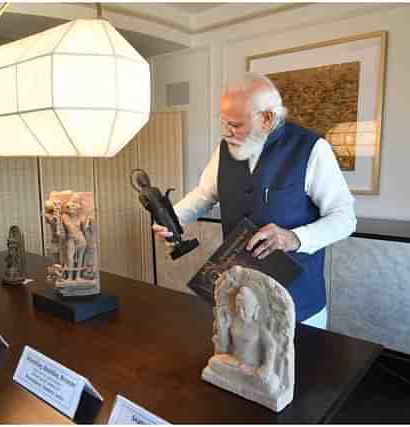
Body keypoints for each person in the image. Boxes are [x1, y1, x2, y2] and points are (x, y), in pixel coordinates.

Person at [153, 73, 356, 329]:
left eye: (235, 124)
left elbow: (345, 218)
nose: (227, 132)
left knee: (302, 369)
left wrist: (294, 238)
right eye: (224, 122)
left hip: (298, 304)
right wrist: (173, 218)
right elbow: (204, 194)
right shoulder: (224, 149)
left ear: (267, 117)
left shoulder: (312, 149)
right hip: (240, 299)